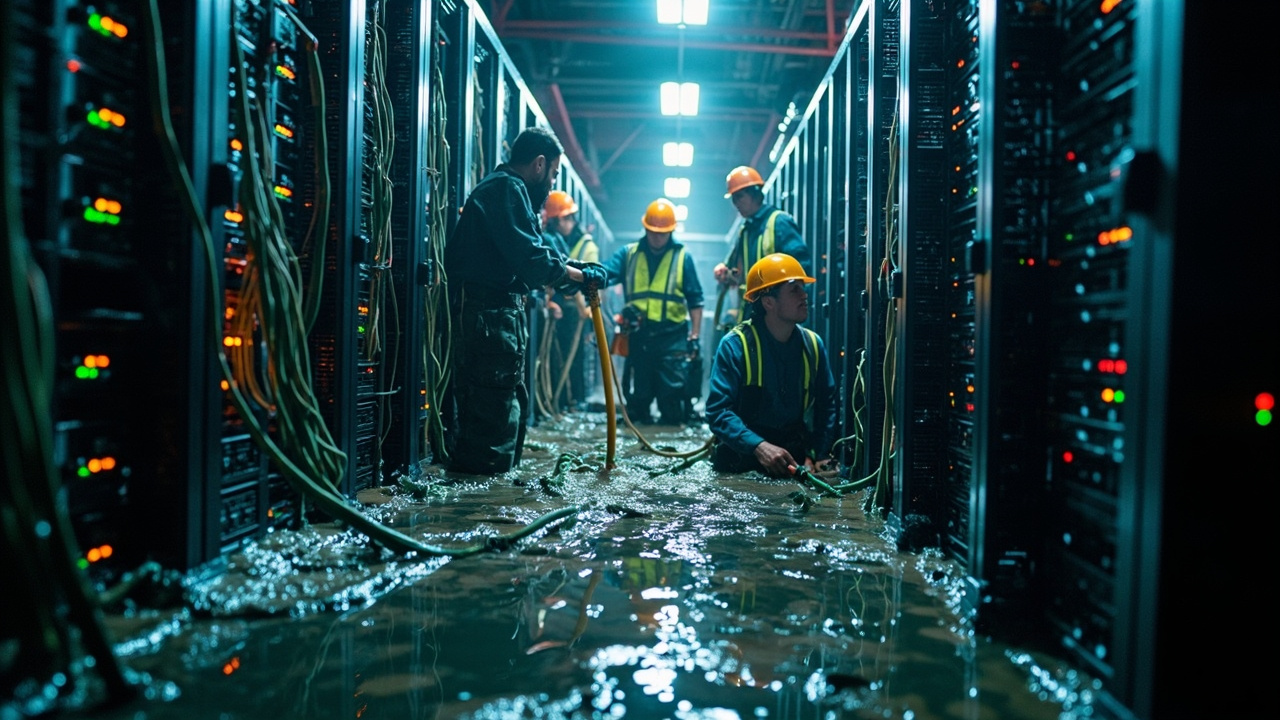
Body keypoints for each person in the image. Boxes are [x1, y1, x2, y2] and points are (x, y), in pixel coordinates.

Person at [442, 127, 606, 474]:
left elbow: (538, 252)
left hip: (497, 318)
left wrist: (576, 270)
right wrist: (580, 277)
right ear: (539, 164)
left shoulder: (509, 191)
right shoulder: (506, 189)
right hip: (489, 318)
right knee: (491, 417)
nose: (552, 183)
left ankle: (491, 490)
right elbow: (532, 261)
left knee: (504, 408)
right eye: (554, 174)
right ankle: (483, 494)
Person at [705, 253, 837, 477]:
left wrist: (820, 454)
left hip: (792, 460)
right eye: (794, 289)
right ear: (768, 302)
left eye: (803, 288)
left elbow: (827, 406)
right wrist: (759, 446)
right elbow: (718, 412)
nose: (804, 295)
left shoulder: (813, 345)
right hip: (741, 462)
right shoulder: (735, 346)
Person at [600, 198, 704, 425]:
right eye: (653, 232)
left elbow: (696, 300)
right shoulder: (629, 254)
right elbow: (605, 273)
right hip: (640, 336)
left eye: (663, 233)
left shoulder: (683, 257)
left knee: (672, 401)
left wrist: (694, 336)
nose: (657, 237)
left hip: (672, 337)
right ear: (645, 228)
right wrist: (583, 275)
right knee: (639, 397)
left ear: (671, 231)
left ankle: (671, 428)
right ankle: (641, 428)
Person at [712, 166, 811, 322]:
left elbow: (801, 269)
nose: (736, 203)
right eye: (733, 198)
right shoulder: (746, 230)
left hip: (777, 311)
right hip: (754, 310)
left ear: (755, 194)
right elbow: (732, 266)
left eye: (740, 197)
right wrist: (723, 270)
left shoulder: (779, 222)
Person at [542, 190, 599, 411]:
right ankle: (564, 401)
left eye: (572, 218)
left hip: (575, 307)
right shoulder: (551, 240)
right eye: (567, 218)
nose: (571, 222)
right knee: (560, 357)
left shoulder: (578, 244)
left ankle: (573, 400)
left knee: (573, 357)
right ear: (556, 220)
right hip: (561, 306)